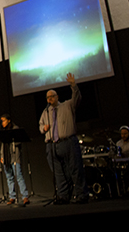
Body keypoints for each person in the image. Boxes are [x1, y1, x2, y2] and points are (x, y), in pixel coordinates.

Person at [38, 73, 88, 204]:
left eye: (52, 96)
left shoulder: (67, 106)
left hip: (68, 142)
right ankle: (63, 196)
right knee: (59, 173)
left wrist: (73, 85)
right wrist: (44, 129)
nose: (50, 99)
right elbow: (40, 126)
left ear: (57, 97)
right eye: (48, 97)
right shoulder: (45, 112)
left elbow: (77, 98)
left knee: (75, 169)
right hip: (52, 145)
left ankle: (81, 195)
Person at [0, 114, 29, 205]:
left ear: (8, 120)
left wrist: (12, 138)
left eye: (4, 121)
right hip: (6, 157)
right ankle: (12, 196)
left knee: (18, 176)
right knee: (9, 177)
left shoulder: (15, 129)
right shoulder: (3, 131)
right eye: (2, 121)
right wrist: (1, 156)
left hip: (14, 156)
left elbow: (19, 141)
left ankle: (25, 196)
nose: (2, 123)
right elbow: (2, 145)